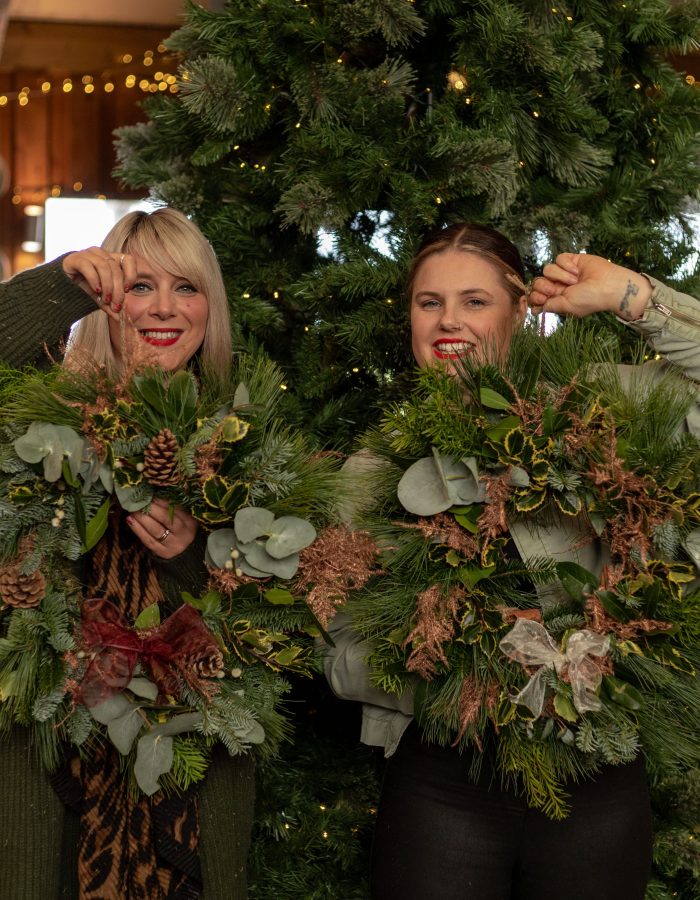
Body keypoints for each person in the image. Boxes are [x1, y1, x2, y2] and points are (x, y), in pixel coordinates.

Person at [323, 222, 700, 900]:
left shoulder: (596, 408)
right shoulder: (373, 470)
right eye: (428, 302)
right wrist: (466, 650)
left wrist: (632, 297)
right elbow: (345, 659)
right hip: (443, 782)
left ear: (521, 310)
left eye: (475, 301)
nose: (448, 321)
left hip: (597, 779)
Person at [0, 208, 253, 899]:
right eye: (139, 287)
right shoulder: (43, 413)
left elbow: (275, 640)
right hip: (51, 778)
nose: (164, 309)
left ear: (211, 307)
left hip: (189, 794)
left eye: (187, 288)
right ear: (105, 300)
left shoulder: (247, 440)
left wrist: (194, 559)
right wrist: (58, 287)